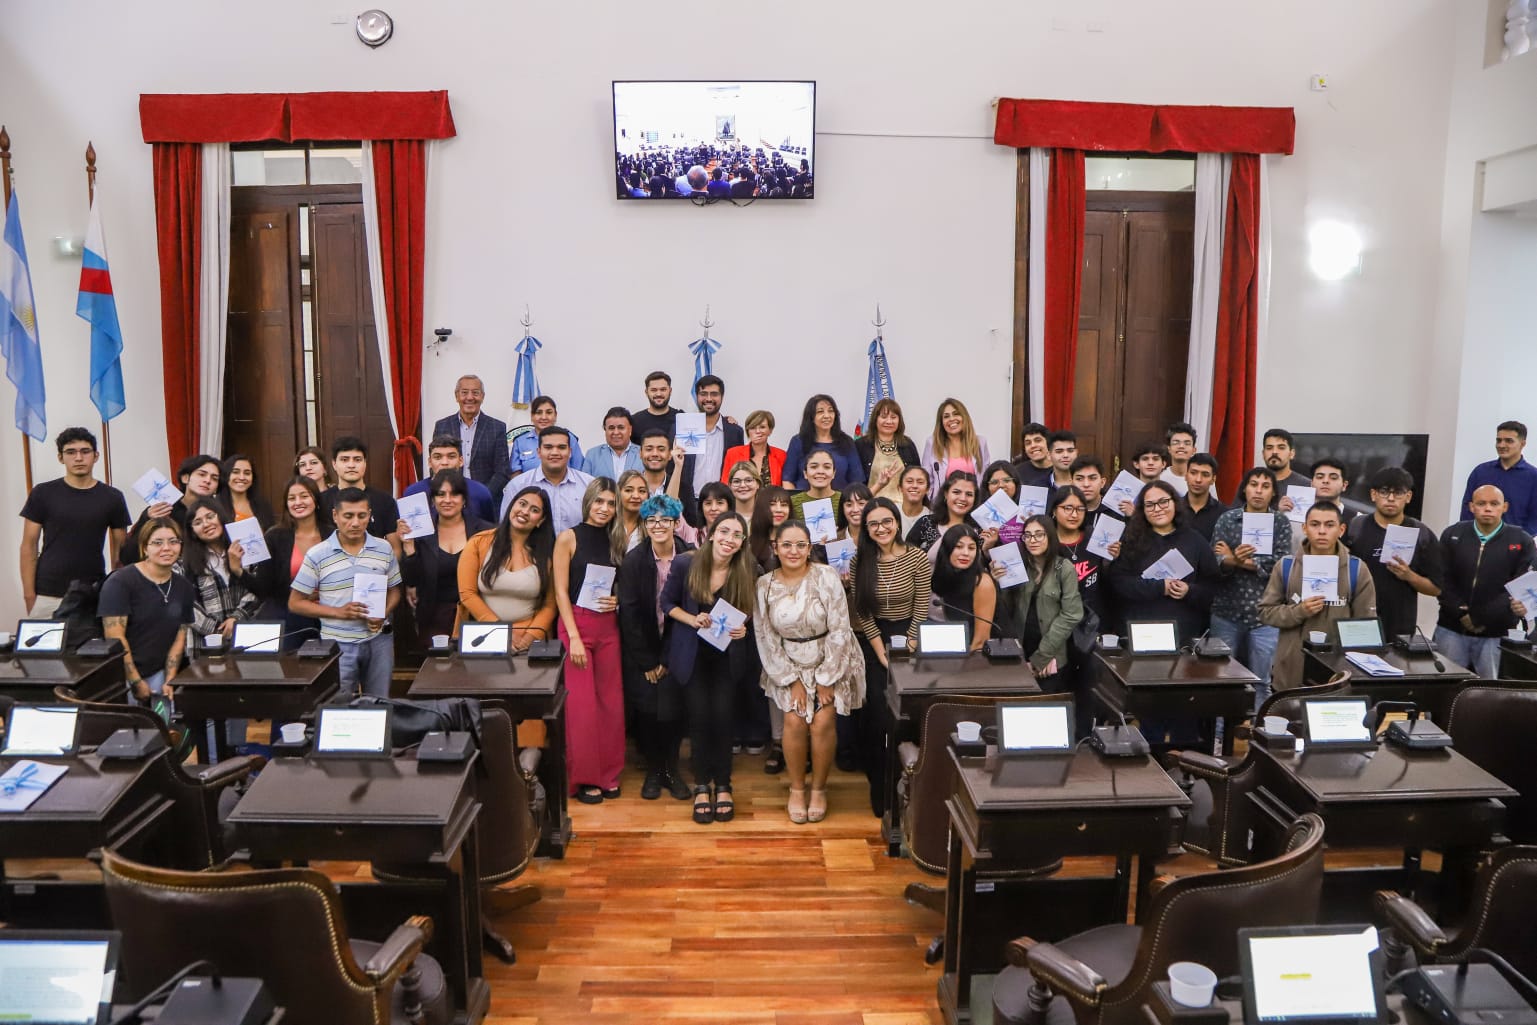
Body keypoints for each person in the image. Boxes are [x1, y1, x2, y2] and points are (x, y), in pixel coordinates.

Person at [756, 520, 865, 824]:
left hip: (830, 658)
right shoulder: (764, 585)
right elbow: (765, 636)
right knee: (793, 719)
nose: (793, 551)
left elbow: (841, 628)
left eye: (800, 545)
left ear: (809, 548)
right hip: (787, 664)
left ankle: (819, 788)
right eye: (786, 545)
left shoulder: (826, 576)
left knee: (822, 720)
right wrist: (791, 681)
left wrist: (828, 678)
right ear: (775, 548)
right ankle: (796, 788)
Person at [662, 512, 759, 824]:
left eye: (736, 535)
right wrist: (692, 620)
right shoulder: (685, 564)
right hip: (692, 656)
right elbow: (666, 604)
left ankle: (725, 785)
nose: (729, 539)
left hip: (727, 657)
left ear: (742, 541)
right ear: (712, 533)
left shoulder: (747, 569)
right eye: (724, 531)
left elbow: (751, 612)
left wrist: (745, 627)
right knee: (700, 719)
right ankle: (703, 786)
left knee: (724, 718)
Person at [847, 497, 933, 817]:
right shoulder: (861, 561)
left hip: (910, 637)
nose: (881, 528)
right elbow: (863, 610)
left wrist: (909, 643)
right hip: (873, 641)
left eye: (886, 522)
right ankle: (880, 790)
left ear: (897, 523)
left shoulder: (916, 557)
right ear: (866, 529)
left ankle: (907, 786)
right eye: (873, 524)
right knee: (878, 716)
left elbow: (922, 605)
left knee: (906, 715)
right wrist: (881, 650)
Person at [289, 488, 402, 697]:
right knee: (337, 707)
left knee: (379, 704)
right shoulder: (317, 554)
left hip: (378, 641)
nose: (356, 523)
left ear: (370, 515)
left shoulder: (384, 548)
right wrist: (339, 612)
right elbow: (295, 602)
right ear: (335, 516)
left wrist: (384, 612)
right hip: (337, 643)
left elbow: (395, 590)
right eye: (348, 516)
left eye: (362, 515)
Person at [617, 495, 694, 802]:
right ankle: (653, 771)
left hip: (678, 647)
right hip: (642, 651)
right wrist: (650, 661)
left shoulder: (689, 556)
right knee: (648, 711)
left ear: (676, 523)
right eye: (652, 520)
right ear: (645, 525)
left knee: (674, 711)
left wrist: (667, 658)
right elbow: (631, 614)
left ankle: (671, 770)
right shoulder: (634, 560)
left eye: (665, 519)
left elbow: (688, 607)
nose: (659, 525)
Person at [554, 478, 625, 804]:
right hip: (576, 625)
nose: (604, 509)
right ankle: (584, 778)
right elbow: (560, 591)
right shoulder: (568, 537)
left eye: (611, 503)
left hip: (608, 627)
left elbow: (621, 585)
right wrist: (573, 638)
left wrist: (618, 601)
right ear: (588, 502)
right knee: (581, 708)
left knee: (610, 704)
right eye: (599, 501)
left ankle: (609, 773)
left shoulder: (616, 539)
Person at [1258, 501, 1377, 692]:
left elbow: (1366, 626)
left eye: (1329, 525)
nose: (1322, 531)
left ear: (1341, 529)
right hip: (1291, 672)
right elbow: (1266, 612)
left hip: (1337, 673)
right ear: (1305, 528)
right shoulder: (1286, 566)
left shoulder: (1356, 570)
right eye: (1315, 524)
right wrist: (1300, 611)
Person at [19, 426, 131, 617]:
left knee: (92, 647)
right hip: (47, 593)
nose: (78, 458)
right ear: (61, 458)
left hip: (93, 592)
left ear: (96, 456)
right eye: (71, 452)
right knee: (43, 647)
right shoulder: (43, 493)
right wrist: (29, 595)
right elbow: (29, 546)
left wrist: (117, 593)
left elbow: (120, 553)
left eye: (85, 451)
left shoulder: (112, 497)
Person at [1435, 485, 1535, 678]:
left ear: (1504, 507)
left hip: (1496, 633)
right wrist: (1459, 612)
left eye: (1494, 504)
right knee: (1446, 688)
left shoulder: (1522, 541)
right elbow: (1442, 579)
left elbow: (1519, 587)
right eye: (1481, 504)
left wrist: (1479, 617)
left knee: (1491, 692)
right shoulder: (1452, 534)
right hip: (1451, 628)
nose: (1487, 508)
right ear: (1471, 507)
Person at [1210, 467, 1291, 706]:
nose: (1258, 490)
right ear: (1244, 489)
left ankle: (1257, 736)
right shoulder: (1227, 518)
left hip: (1265, 614)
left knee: (1262, 681)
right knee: (1221, 678)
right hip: (1226, 611)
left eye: (1265, 486)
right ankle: (1219, 736)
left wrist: (1237, 560)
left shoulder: (1280, 522)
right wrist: (1233, 561)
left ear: (1273, 493)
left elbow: (1281, 564)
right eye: (1253, 484)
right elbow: (1215, 559)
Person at [99, 518, 195, 712]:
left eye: (173, 541)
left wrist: (170, 679)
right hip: (123, 676)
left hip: (160, 673)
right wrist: (135, 681)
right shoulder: (121, 582)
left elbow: (180, 635)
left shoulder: (183, 586)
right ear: (144, 548)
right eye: (157, 543)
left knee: (166, 732)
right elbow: (115, 638)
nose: (167, 548)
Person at [1106, 480, 1219, 644]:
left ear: (1175, 502)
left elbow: (1212, 588)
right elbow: (1120, 583)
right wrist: (1160, 587)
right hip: (1140, 631)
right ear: (1142, 510)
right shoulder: (1131, 539)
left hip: (1183, 634)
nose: (1157, 509)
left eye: (1163, 502)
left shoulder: (1195, 540)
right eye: (1150, 505)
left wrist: (1189, 590)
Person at [1344, 466, 1443, 640]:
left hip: (1400, 625)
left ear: (1408, 497)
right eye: (1384, 492)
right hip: (1358, 620)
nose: (1390, 498)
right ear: (1373, 495)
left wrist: (1409, 576)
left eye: (1398, 493)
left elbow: (1436, 589)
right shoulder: (1355, 527)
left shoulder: (1421, 533)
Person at [457, 485, 557, 651]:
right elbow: (467, 594)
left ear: (541, 520)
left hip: (529, 638)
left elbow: (550, 605)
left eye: (534, 510)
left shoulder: (547, 554)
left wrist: (529, 638)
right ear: (512, 506)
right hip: (482, 636)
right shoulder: (479, 542)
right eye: (522, 504)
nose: (524, 512)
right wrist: (499, 633)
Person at [398, 470, 492, 648]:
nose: (447, 500)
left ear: (464, 499)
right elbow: (412, 580)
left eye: (454, 494)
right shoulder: (420, 533)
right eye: (440, 494)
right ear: (432, 500)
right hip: (434, 618)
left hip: (478, 616)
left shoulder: (485, 531)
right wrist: (409, 548)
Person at [246, 476, 324, 648]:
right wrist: (237, 569)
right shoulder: (274, 537)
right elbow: (263, 589)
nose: (298, 502)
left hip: (330, 617)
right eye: (291, 498)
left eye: (304, 496)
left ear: (316, 500)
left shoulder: (333, 534)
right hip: (289, 618)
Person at [1011, 515, 1085, 686]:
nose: (1032, 540)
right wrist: (999, 582)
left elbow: (1071, 615)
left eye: (1039, 534)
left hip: (1051, 655)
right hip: (1020, 653)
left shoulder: (1063, 568)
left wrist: (1041, 657)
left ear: (1050, 536)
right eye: (1027, 535)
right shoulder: (1018, 566)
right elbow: (1006, 610)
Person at [182, 497, 261, 641]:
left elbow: (260, 587)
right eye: (197, 522)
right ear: (192, 531)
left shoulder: (245, 548)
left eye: (210, 517)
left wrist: (237, 617)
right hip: (205, 642)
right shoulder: (184, 563)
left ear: (221, 517)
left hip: (248, 633)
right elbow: (187, 605)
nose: (206, 524)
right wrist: (219, 631)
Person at [121, 453, 221, 563]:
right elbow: (128, 555)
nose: (208, 480)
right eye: (202, 474)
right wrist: (147, 518)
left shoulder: (218, 514)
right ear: (185, 478)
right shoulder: (163, 509)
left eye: (214, 478)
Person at [501, 426, 596, 535]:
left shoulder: (588, 485)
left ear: (570, 452)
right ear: (539, 452)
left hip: (578, 551)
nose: (555, 452)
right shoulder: (518, 485)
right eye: (548, 447)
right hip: (531, 551)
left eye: (561, 447)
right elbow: (505, 528)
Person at [431, 374, 511, 500]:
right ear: (456, 396)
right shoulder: (442, 426)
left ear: (482, 396)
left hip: (485, 501)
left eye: (475, 393)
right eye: (464, 393)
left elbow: (502, 471)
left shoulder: (497, 427)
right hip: (450, 499)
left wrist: (481, 495)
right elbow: (436, 466)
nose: (469, 397)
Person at [319, 437, 400, 551]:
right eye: (344, 459)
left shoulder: (385, 500)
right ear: (334, 464)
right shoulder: (321, 501)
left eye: (357, 459)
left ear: (365, 463)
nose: (351, 465)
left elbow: (395, 548)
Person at [930, 524, 999, 651]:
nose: (966, 553)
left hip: (990, 655)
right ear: (947, 549)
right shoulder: (946, 575)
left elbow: (981, 641)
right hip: (962, 649)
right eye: (959, 547)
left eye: (972, 548)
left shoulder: (982, 582)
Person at [1461, 421, 1537, 536]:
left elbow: (1534, 519)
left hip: (1516, 545)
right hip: (1480, 541)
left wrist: (1521, 540)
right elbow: (1467, 510)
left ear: (1522, 444)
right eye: (1499, 440)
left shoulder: (1533, 477)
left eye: (1509, 441)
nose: (1502, 445)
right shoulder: (1481, 472)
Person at [401, 435, 496, 523]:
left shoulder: (480, 492)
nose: (445, 462)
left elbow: (490, 531)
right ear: (430, 462)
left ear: (461, 461)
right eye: (438, 457)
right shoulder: (413, 493)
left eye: (451, 457)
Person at [782, 394, 864, 490]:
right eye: (820, 412)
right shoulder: (798, 441)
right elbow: (788, 480)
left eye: (830, 411)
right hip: (803, 502)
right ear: (811, 417)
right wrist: (795, 503)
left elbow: (857, 481)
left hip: (839, 502)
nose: (827, 416)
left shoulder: (846, 442)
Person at [919, 398, 990, 499]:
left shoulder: (980, 443)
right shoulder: (932, 443)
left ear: (964, 417)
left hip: (973, 506)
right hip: (943, 508)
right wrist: (933, 503)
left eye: (956, 414)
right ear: (941, 422)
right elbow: (926, 479)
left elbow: (986, 478)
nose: (951, 419)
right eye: (946, 416)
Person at [854, 398, 920, 502]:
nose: (889, 421)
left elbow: (918, 477)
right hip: (871, 507)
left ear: (899, 420)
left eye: (893, 417)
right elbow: (855, 484)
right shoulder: (861, 445)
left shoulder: (908, 445)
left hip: (903, 508)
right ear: (875, 419)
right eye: (884, 417)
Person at [510, 395, 585, 476]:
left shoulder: (569, 438)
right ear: (532, 416)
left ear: (555, 415)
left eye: (549, 412)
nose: (544, 417)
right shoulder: (520, 442)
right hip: (529, 488)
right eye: (539, 413)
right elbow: (515, 474)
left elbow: (579, 471)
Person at [912, 470, 978, 556]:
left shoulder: (978, 530)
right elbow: (905, 558)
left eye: (969, 494)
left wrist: (987, 548)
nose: (963, 498)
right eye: (956, 492)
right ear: (946, 494)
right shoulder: (926, 523)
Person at [720, 409, 786, 487]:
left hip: (771, 499)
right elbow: (725, 485)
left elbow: (786, 486)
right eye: (753, 427)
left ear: (770, 430)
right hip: (740, 499)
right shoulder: (732, 453)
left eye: (762, 427)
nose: (758, 431)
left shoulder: (781, 455)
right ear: (748, 431)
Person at [218, 454, 275, 530]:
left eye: (247, 473)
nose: (242, 477)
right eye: (236, 472)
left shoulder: (263, 506)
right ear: (226, 475)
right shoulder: (216, 507)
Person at [1177, 453, 1227, 541]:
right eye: (1193, 473)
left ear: (1213, 479)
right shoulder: (1173, 508)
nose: (1198, 480)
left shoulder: (1223, 514)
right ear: (1186, 475)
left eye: (1205, 474)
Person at [584, 407, 643, 480]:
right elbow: (585, 486)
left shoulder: (643, 454)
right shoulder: (592, 455)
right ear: (605, 430)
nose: (616, 432)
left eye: (621, 427)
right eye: (611, 428)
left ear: (630, 429)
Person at [980, 460, 1026, 550]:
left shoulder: (1028, 510)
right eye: (994, 482)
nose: (1001, 485)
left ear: (1016, 484)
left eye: (1007, 480)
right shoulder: (980, 515)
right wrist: (987, 549)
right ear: (987, 487)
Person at [789, 450, 842, 526]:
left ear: (833, 473)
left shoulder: (844, 500)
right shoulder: (792, 502)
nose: (820, 471)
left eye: (827, 467)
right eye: (814, 467)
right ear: (805, 473)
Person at [1259, 428, 1309, 509]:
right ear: (1263, 454)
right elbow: (1235, 518)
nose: (1274, 452)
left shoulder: (1306, 485)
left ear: (1291, 454)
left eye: (1281, 447)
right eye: (1269, 448)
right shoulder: (1252, 484)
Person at [630, 370, 682, 441]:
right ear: (646, 392)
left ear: (670, 391)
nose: (658, 394)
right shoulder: (634, 421)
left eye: (663, 389)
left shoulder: (681, 418)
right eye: (654, 390)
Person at [1310, 458, 1356, 526]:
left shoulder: (1357, 520)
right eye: (1320, 477)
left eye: (1333, 478)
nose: (1325, 481)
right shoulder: (1295, 514)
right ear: (1311, 484)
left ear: (1344, 485)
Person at [1011, 421, 1054, 488]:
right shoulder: (1016, 473)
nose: (1033, 445)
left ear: (1048, 443)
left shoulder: (1061, 469)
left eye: (1038, 440)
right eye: (1028, 443)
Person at [1161, 422, 1198, 495]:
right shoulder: (1160, 479)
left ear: (1194, 450)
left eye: (1187, 443)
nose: (1181, 446)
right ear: (1169, 449)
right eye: (1176, 442)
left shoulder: (1202, 479)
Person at [897, 465, 931, 544]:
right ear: (900, 488)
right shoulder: (891, 512)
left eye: (920, 482)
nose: (915, 486)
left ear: (928, 489)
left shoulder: (932, 518)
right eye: (909, 481)